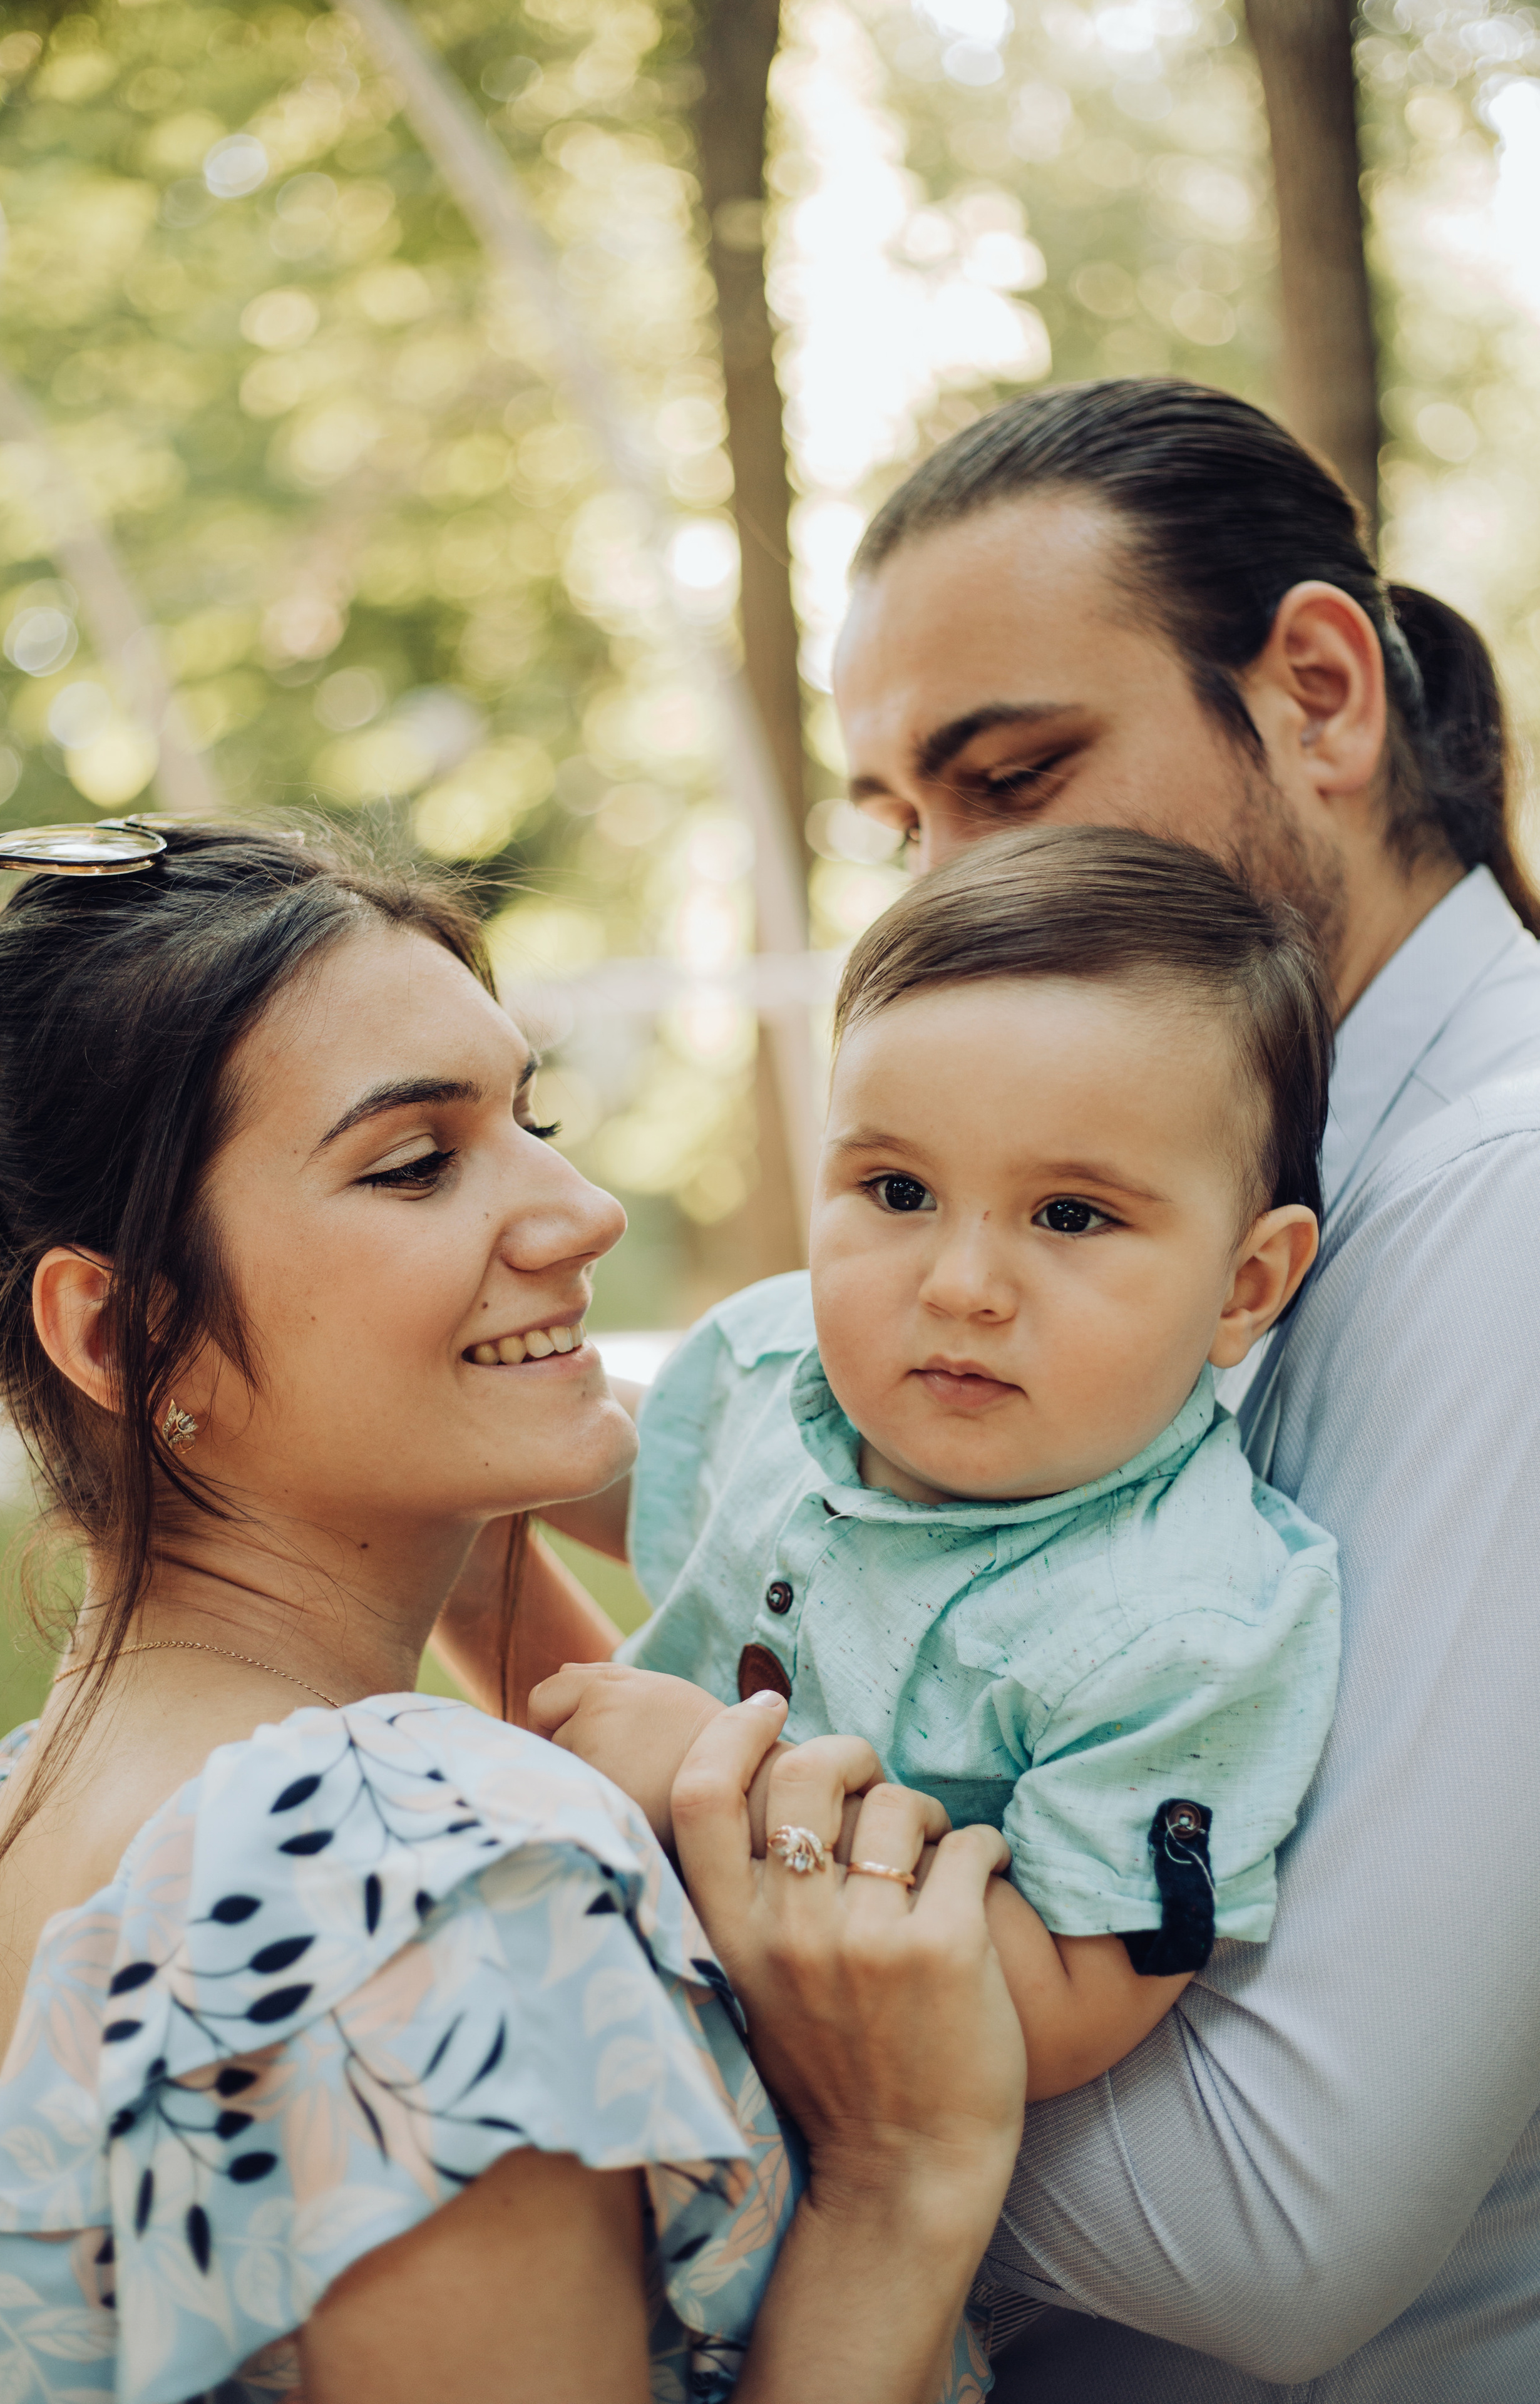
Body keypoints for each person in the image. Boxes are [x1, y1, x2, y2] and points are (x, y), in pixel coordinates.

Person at [438, 379, 1540, 2397]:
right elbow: (729, 1447)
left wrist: (641, 1929)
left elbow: (1265, 2224)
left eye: (1012, 781)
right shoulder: (1160, 1203)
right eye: (899, 828)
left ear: (1318, 691)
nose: (935, 894)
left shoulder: (1513, 1207)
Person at [0, 824, 1024, 2404]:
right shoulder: (425, 1882)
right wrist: (894, 2176)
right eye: (415, 1164)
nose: (579, 1212)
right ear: (120, 1328)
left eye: (534, 1117)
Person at [530, 827, 1342, 2109]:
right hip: (546, 1955)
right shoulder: (772, 1353)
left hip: (747, 2147)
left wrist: (711, 1785)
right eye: (896, 1191)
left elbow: (1060, 2007)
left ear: (1244, 1287)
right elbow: (647, 1479)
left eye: (1069, 1216)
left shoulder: (1181, 1630)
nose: (959, 1287)